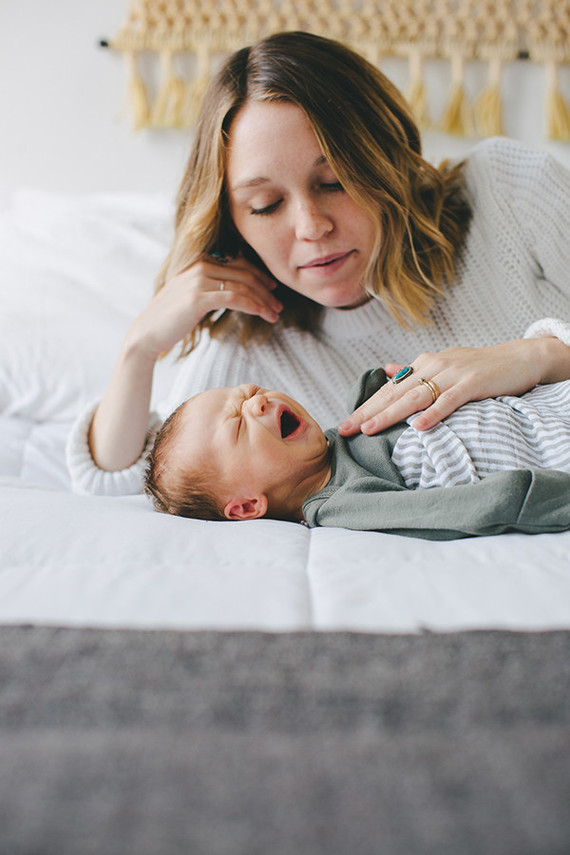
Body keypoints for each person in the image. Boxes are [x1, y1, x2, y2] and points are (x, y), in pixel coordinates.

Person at [66, 31, 570, 497]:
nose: (311, 227)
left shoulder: (507, 191)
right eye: (265, 205)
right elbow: (128, 484)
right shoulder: (254, 347)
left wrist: (538, 357)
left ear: (383, 159)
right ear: (231, 220)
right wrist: (139, 349)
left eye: (333, 182)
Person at [143, 369, 570, 540]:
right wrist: (528, 496)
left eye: (252, 393)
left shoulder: (338, 442)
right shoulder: (339, 505)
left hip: (546, 402)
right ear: (247, 506)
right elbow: (458, 510)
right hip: (550, 450)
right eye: (238, 424)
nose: (258, 403)